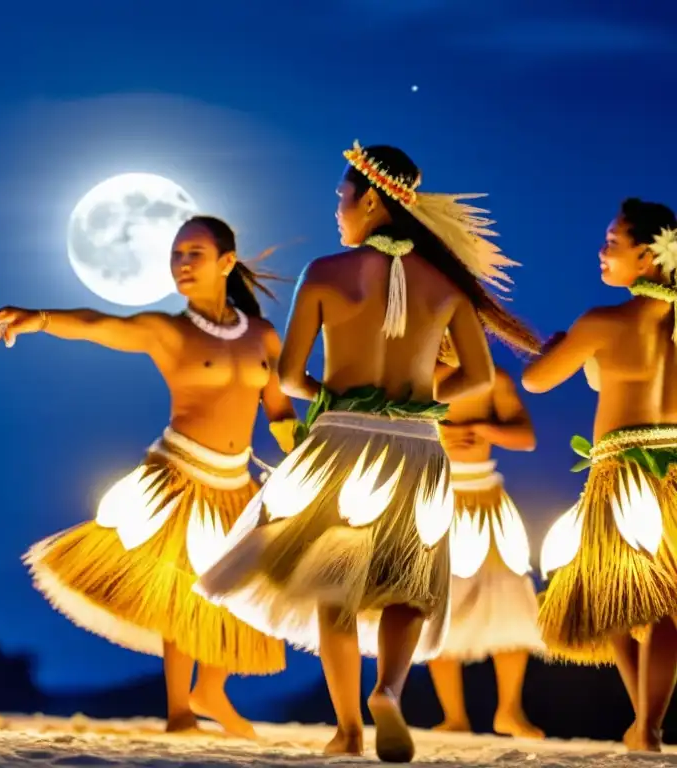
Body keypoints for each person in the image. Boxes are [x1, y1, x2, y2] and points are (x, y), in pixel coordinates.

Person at [194, 142, 541, 762]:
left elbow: (295, 376)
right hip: (414, 446)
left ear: (372, 199)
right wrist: (425, 396)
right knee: (407, 584)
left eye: (342, 197)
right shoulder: (445, 282)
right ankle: (389, 689)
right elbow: (480, 379)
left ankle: (349, 728)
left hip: (341, 440)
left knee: (336, 583)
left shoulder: (327, 272)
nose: (338, 209)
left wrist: (334, 394)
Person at [0, 215, 294, 738]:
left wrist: (303, 448)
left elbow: (279, 408)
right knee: (184, 589)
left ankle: (210, 689)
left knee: (244, 587)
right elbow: (100, 324)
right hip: (180, 474)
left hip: (237, 483)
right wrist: (38, 317)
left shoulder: (262, 334)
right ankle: (179, 713)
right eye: (175, 255)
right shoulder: (169, 330)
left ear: (226, 262)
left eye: (194, 253)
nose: (182, 264)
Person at [527, 198, 677, 753]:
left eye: (612, 243)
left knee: (611, 595)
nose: (601, 251)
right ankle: (649, 724)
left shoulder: (603, 322)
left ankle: (646, 722)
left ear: (647, 256)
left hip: (623, 475)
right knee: (667, 606)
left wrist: (560, 349)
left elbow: (539, 381)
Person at [426, 337, 543, 738]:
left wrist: (480, 428)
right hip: (435, 498)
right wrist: (441, 433)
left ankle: (510, 710)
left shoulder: (494, 380)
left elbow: (526, 438)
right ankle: (453, 716)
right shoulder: (419, 380)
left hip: (487, 498)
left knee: (509, 601)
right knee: (435, 605)